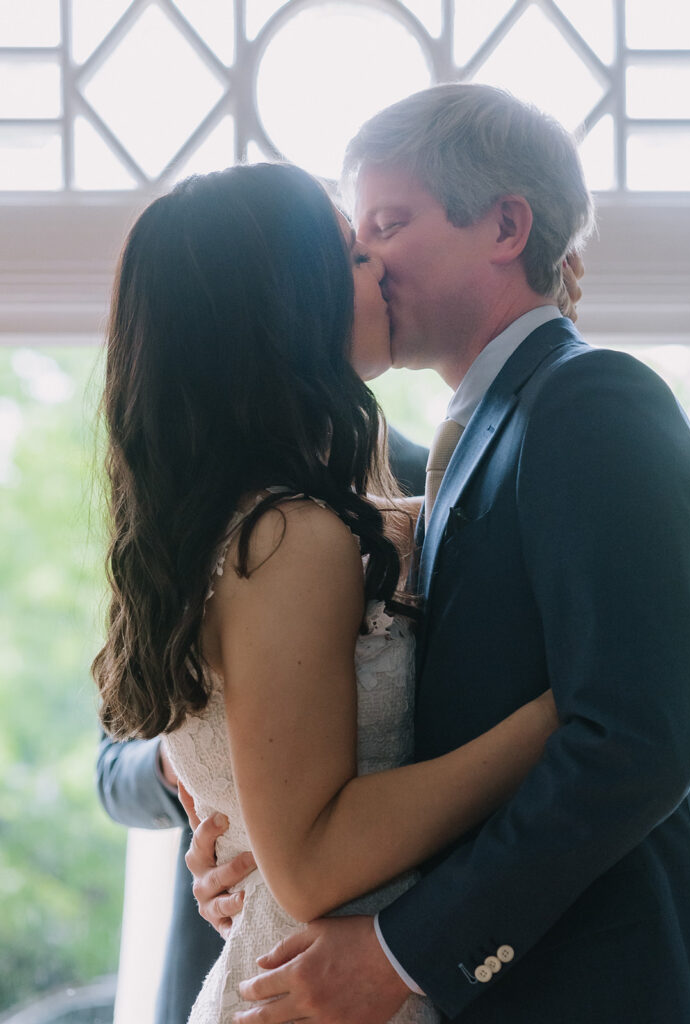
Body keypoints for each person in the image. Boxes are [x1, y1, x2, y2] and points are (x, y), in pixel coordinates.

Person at [189, 85, 690, 1024]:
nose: (365, 255)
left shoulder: (592, 403)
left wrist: (401, 953)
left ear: (504, 225)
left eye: (389, 221)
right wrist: (243, 834)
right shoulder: (456, 453)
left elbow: (633, 738)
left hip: (607, 987)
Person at [92, 159, 564, 1024]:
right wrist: (559, 721)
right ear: (285, 308)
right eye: (352, 255)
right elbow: (309, 860)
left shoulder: (248, 516)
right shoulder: (288, 534)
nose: (380, 268)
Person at [94, 420, 427, 1024]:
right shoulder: (175, 513)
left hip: (396, 957)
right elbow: (112, 764)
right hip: (248, 941)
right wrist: (216, 773)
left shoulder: (432, 471)